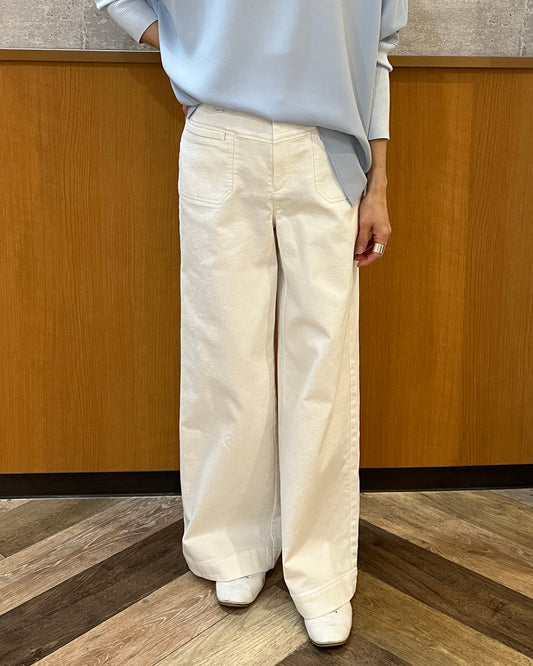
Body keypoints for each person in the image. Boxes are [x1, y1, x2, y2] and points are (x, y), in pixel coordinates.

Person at [94, 0, 408, 648]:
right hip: (220, 135)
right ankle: (233, 544)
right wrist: (189, 50)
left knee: (321, 369)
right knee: (224, 356)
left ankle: (320, 568)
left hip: (328, 149)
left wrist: (378, 184)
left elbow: (377, 47)